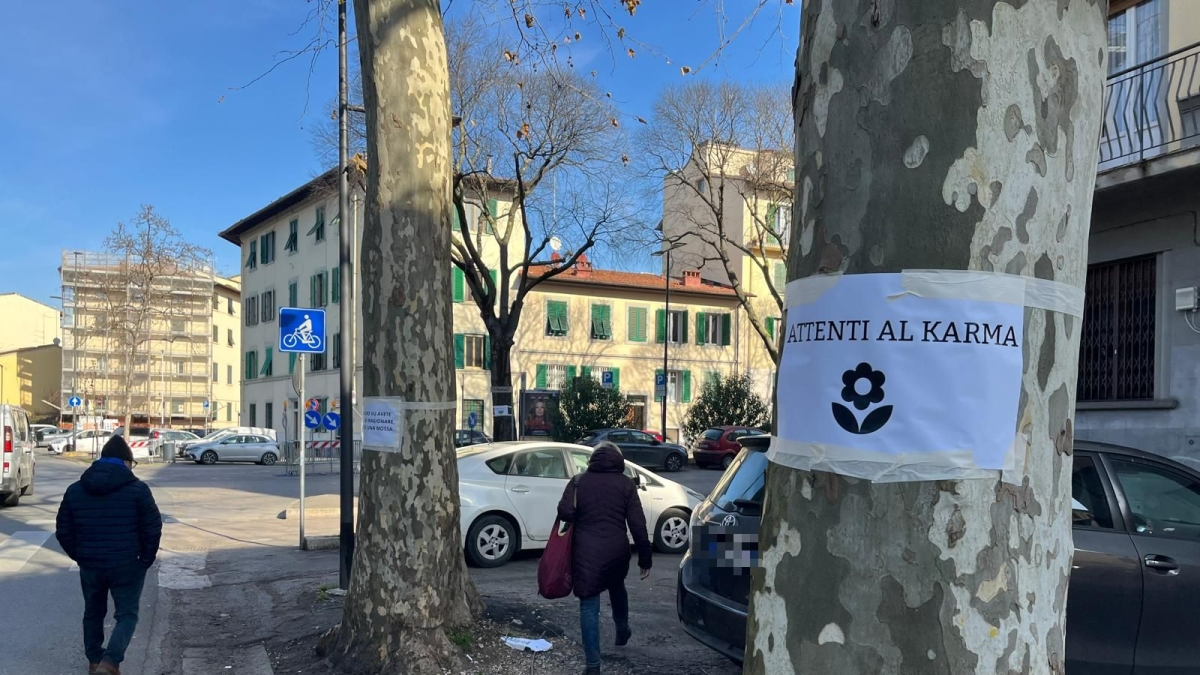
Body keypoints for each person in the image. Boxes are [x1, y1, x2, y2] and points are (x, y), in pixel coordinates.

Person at [56, 435, 162, 675]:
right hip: (127, 563)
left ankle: (95, 660)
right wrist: (145, 559)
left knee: (93, 612)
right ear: (126, 462)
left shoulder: (75, 490)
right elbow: (152, 527)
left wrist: (80, 556)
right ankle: (110, 662)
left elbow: (63, 530)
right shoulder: (138, 490)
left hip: (91, 564)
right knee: (127, 614)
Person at [557, 442, 652, 674]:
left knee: (589, 606)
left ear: (593, 459)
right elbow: (638, 524)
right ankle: (622, 629)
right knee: (616, 586)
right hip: (616, 551)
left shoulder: (579, 481)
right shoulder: (626, 484)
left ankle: (592, 666)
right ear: (618, 460)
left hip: (585, 552)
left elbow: (565, 512)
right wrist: (645, 558)